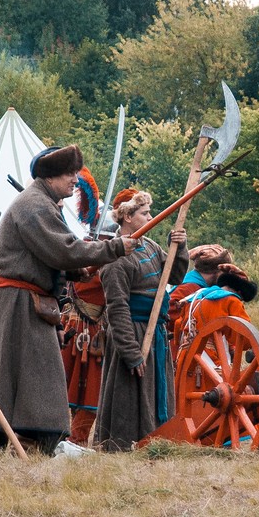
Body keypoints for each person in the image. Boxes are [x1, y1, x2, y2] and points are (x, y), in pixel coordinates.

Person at [0, 145, 136, 455]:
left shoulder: (43, 203)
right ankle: (25, 436)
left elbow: (48, 256)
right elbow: (65, 249)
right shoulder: (35, 205)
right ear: (50, 176)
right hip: (15, 301)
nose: (75, 179)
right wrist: (114, 248)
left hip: (23, 299)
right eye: (69, 174)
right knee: (30, 371)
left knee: (30, 372)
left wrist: (75, 272)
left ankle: (27, 437)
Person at [93, 189, 187, 451]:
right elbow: (117, 308)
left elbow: (175, 277)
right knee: (129, 394)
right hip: (132, 332)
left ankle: (157, 442)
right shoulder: (115, 259)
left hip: (154, 330)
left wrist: (178, 248)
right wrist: (131, 352)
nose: (150, 217)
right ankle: (122, 447)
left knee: (156, 390)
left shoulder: (150, 246)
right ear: (127, 217)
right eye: (145, 213)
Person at [59, 169, 111, 447]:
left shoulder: (89, 252)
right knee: (80, 388)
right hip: (81, 330)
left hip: (89, 329)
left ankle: (75, 439)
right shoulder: (90, 255)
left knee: (87, 389)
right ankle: (71, 439)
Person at [168, 243, 236, 346]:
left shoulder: (202, 287)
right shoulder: (188, 288)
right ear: (218, 271)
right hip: (181, 347)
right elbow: (168, 317)